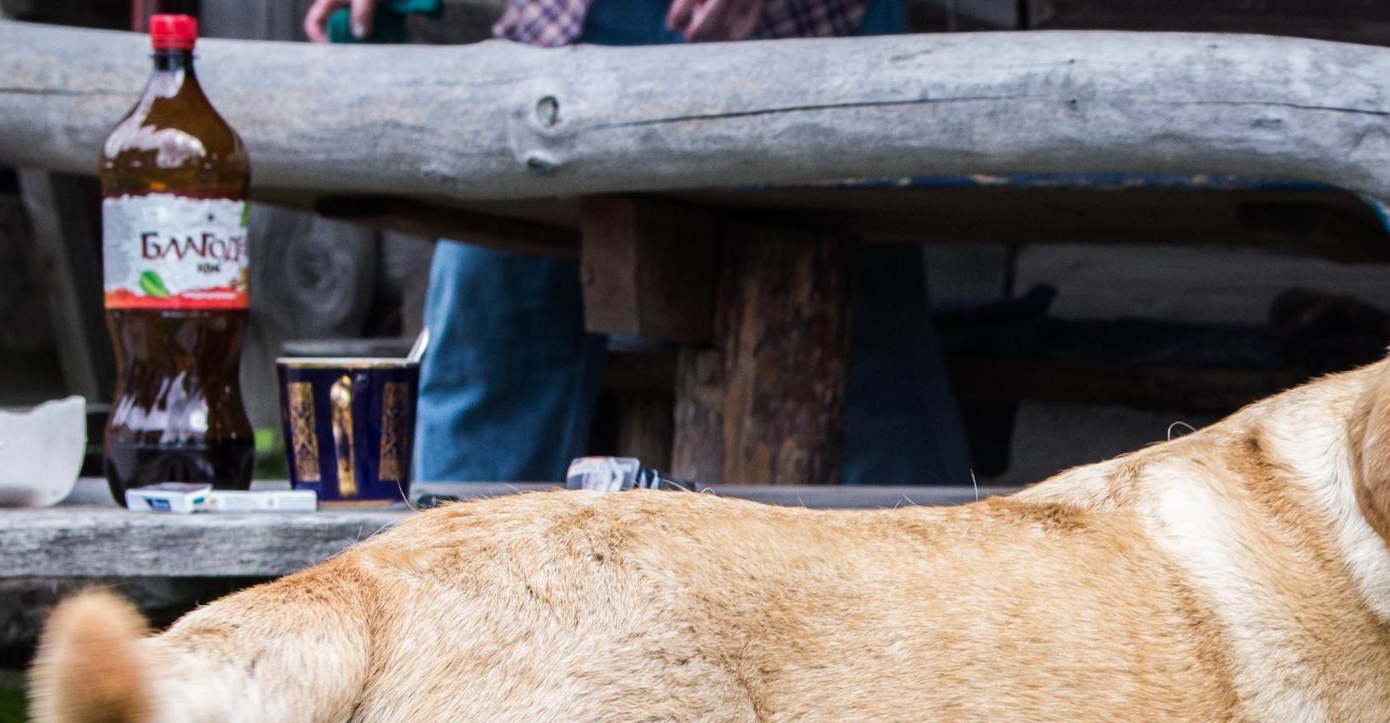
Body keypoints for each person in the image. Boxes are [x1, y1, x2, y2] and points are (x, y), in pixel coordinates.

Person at [304, 0, 971, 486]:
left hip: (807, 37)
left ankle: (935, 652)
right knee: (487, 364)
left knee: (860, 375)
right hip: (562, 42)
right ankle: (448, 642)